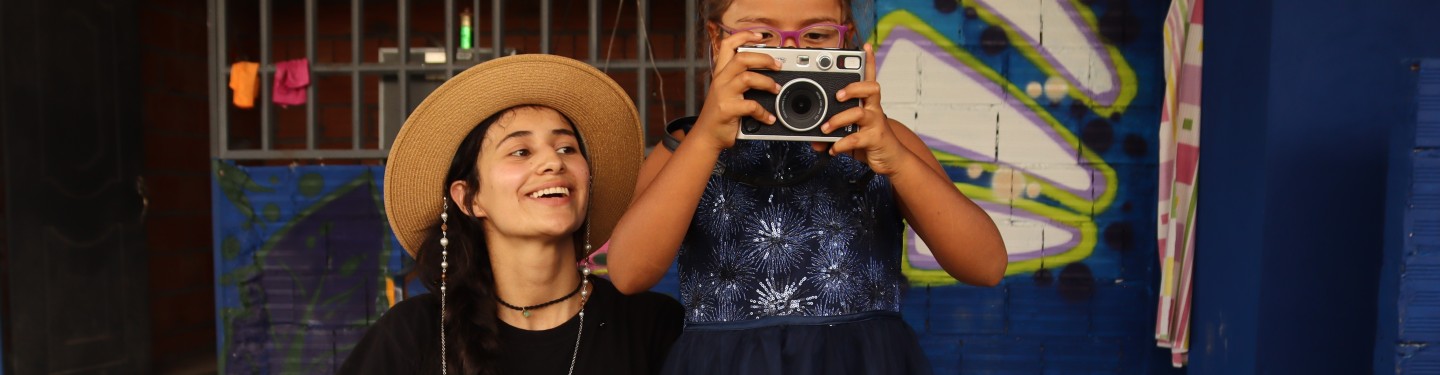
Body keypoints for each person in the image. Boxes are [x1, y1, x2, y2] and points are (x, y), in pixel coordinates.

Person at [605, 0, 1008, 373]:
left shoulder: (882, 140)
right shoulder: (687, 147)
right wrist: (706, 139)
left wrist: (899, 162)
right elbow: (628, 274)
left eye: (815, 36)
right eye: (761, 36)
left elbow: (986, 266)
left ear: (846, 38)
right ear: (717, 39)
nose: (787, 54)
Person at [339, 54, 683, 375]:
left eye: (566, 148)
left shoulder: (653, 326)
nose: (553, 162)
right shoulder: (414, 335)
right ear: (469, 199)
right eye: (520, 152)